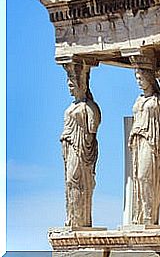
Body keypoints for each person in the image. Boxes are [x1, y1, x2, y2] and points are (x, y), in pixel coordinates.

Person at [129, 68, 160, 225]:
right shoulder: (138, 100)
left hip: (151, 142)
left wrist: (156, 137)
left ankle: (150, 216)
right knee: (138, 179)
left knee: (145, 176)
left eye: (141, 78)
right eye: (137, 79)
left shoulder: (159, 100)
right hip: (138, 142)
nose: (139, 82)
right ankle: (140, 215)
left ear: (149, 79)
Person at [60, 63, 101, 227]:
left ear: (81, 85)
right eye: (68, 84)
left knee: (77, 180)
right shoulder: (72, 106)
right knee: (70, 182)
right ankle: (73, 218)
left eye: (72, 84)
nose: (70, 88)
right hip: (70, 147)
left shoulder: (89, 106)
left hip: (81, 148)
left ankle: (81, 220)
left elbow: (93, 127)